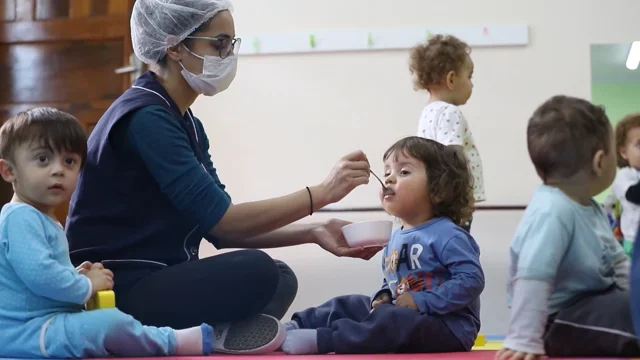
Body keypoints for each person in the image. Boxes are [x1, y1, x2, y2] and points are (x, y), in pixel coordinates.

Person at [64, 0, 380, 348]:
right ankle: (204, 337)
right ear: (175, 46)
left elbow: (221, 230)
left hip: (158, 276)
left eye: (231, 44)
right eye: (219, 44)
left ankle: (211, 336)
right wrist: (321, 193)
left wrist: (314, 231)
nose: (228, 55)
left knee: (280, 276)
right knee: (257, 272)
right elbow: (226, 224)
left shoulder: (187, 124)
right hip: (115, 287)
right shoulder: (146, 118)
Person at [0, 107, 287, 358]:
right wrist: (87, 286)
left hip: (44, 323)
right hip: (28, 332)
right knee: (109, 323)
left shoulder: (40, 218)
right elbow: (41, 276)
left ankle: (210, 333)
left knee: (279, 276)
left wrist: (76, 275)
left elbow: (38, 278)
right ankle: (174, 341)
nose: (58, 171)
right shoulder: (20, 217)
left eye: (69, 162)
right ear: (8, 171)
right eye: (42, 160)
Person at [280, 136, 485, 355]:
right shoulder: (394, 238)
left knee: (391, 320)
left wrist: (421, 301)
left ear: (438, 190)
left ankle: (326, 340)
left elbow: (471, 281)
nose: (388, 180)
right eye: (387, 173)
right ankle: (295, 326)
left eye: (403, 172)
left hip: (448, 327)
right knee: (352, 303)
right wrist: (384, 295)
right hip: (403, 314)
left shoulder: (448, 235)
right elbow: (393, 282)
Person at [497, 96, 640, 360]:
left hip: (596, 301)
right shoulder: (552, 211)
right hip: (558, 320)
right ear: (600, 162)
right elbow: (532, 276)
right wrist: (524, 337)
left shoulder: (589, 207)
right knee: (629, 320)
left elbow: (618, 262)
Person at [410, 34, 485, 232]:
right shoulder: (450, 112)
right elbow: (453, 155)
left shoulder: (427, 112)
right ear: (451, 79)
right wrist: (463, 198)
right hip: (454, 203)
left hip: (436, 200)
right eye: (469, 76)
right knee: (458, 246)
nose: (472, 84)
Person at [612, 113, 640, 257]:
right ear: (624, 152)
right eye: (639, 144)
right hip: (635, 242)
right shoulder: (625, 176)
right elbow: (634, 195)